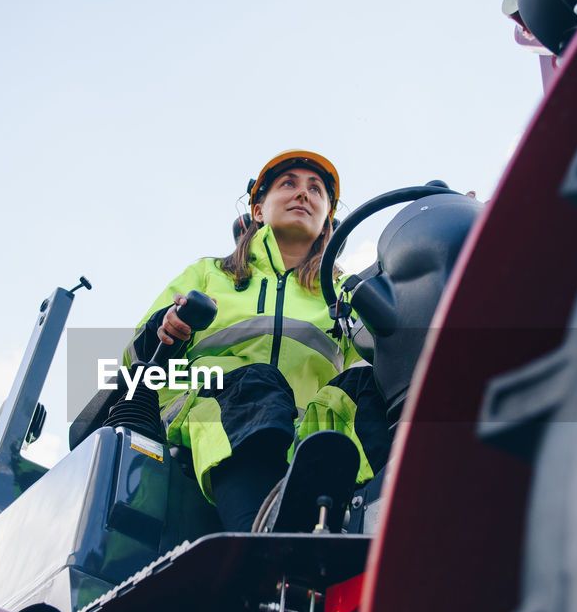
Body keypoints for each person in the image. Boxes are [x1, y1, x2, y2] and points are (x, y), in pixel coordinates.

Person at [123, 150, 389, 532]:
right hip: (208, 405)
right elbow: (133, 357)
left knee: (370, 387)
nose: (303, 194)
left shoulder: (343, 293)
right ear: (259, 210)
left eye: (315, 189)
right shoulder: (210, 273)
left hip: (304, 434)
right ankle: (259, 534)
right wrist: (163, 327)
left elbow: (390, 349)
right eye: (289, 184)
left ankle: (389, 521)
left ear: (328, 221)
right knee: (254, 380)